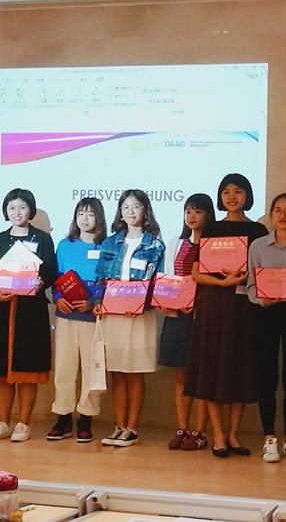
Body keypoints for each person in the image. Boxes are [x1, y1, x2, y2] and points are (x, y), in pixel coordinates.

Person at [186, 173, 267, 457]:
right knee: (211, 369)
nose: (232, 197)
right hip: (213, 306)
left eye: (238, 191)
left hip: (245, 307)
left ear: (248, 195)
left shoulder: (259, 231)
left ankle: (233, 435)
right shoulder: (211, 228)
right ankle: (218, 435)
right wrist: (222, 283)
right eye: (226, 192)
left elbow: (263, 272)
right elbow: (196, 273)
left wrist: (246, 278)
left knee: (239, 369)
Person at [0, 188, 58, 443]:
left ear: (30, 210)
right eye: (12, 208)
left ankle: (24, 423)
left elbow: (51, 271)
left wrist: (40, 283)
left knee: (27, 370)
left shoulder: (43, 239)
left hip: (30, 312)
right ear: (5, 211)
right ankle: (3, 422)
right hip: (1, 311)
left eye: (22, 207)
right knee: (2, 371)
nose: (17, 212)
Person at [95, 189, 166, 448]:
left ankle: (132, 428)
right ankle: (119, 425)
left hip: (140, 316)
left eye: (136, 206)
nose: (130, 211)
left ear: (145, 211)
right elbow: (100, 277)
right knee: (117, 372)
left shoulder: (155, 245)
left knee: (135, 372)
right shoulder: (110, 243)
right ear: (120, 212)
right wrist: (98, 302)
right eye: (125, 207)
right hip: (113, 315)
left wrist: (141, 304)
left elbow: (158, 282)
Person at [246, 193, 286, 463]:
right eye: (278, 210)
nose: (283, 216)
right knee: (267, 377)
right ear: (271, 215)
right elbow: (250, 286)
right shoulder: (258, 246)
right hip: (266, 313)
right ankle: (269, 439)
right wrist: (263, 299)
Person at [47, 197, 107, 443]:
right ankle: (62, 416)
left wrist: (93, 301)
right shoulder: (65, 245)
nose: (85, 218)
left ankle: (86, 418)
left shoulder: (107, 246)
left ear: (99, 218)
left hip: (93, 317)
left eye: (90, 214)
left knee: (92, 369)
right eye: (81, 213)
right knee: (64, 367)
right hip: (66, 315)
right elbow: (56, 278)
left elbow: (109, 281)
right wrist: (58, 298)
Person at [159, 193, 212, 452]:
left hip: (205, 316)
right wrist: (171, 302)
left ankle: (200, 431)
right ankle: (182, 428)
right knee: (180, 375)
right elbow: (168, 278)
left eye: (198, 211)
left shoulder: (214, 245)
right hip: (178, 316)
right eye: (188, 211)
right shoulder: (175, 244)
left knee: (201, 376)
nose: (192, 216)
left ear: (208, 215)